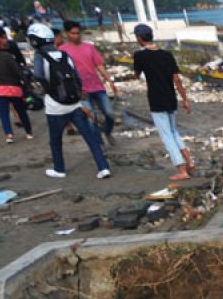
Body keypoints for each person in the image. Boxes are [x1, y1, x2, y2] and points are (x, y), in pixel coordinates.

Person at [27, 22, 110, 180]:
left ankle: (59, 169)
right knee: (89, 137)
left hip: (55, 105)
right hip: (74, 103)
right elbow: (76, 77)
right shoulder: (63, 55)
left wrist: (49, 87)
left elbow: (38, 75)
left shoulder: (40, 56)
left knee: (55, 139)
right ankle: (103, 167)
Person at [132, 24, 195, 181]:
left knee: (167, 135)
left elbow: (136, 74)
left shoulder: (139, 56)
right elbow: (177, 80)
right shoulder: (167, 54)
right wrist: (185, 99)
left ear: (139, 38)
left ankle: (181, 170)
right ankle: (189, 161)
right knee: (173, 132)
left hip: (156, 99)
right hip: (170, 97)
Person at [59, 21, 117, 143]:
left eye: (78, 33)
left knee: (110, 113)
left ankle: (107, 132)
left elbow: (99, 65)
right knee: (91, 118)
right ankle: (99, 143)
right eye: (73, 33)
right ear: (66, 34)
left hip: (97, 86)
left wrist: (109, 80)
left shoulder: (89, 47)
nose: (76, 36)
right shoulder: (62, 50)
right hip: (81, 90)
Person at [0, 36, 35, 144]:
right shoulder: (7, 56)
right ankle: (28, 132)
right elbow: (17, 71)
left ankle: (9, 135)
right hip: (13, 87)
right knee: (21, 111)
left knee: (3, 113)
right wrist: (27, 84)